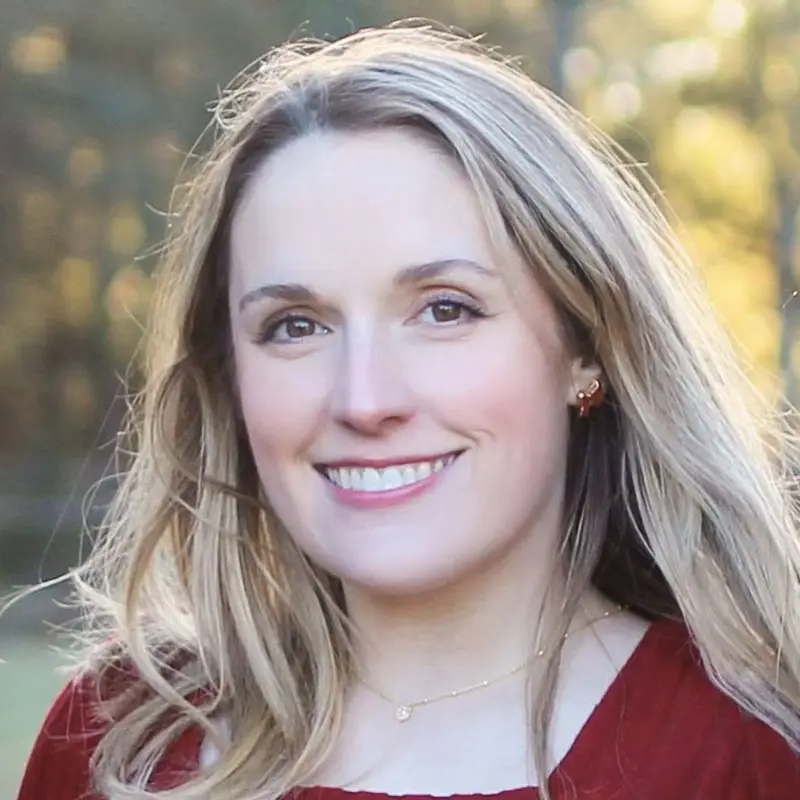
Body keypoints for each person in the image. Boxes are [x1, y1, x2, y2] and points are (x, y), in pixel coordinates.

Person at [15, 20, 800, 800]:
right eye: (296, 325)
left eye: (445, 310)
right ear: (231, 378)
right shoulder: (121, 740)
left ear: (586, 349)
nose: (365, 400)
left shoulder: (748, 758)